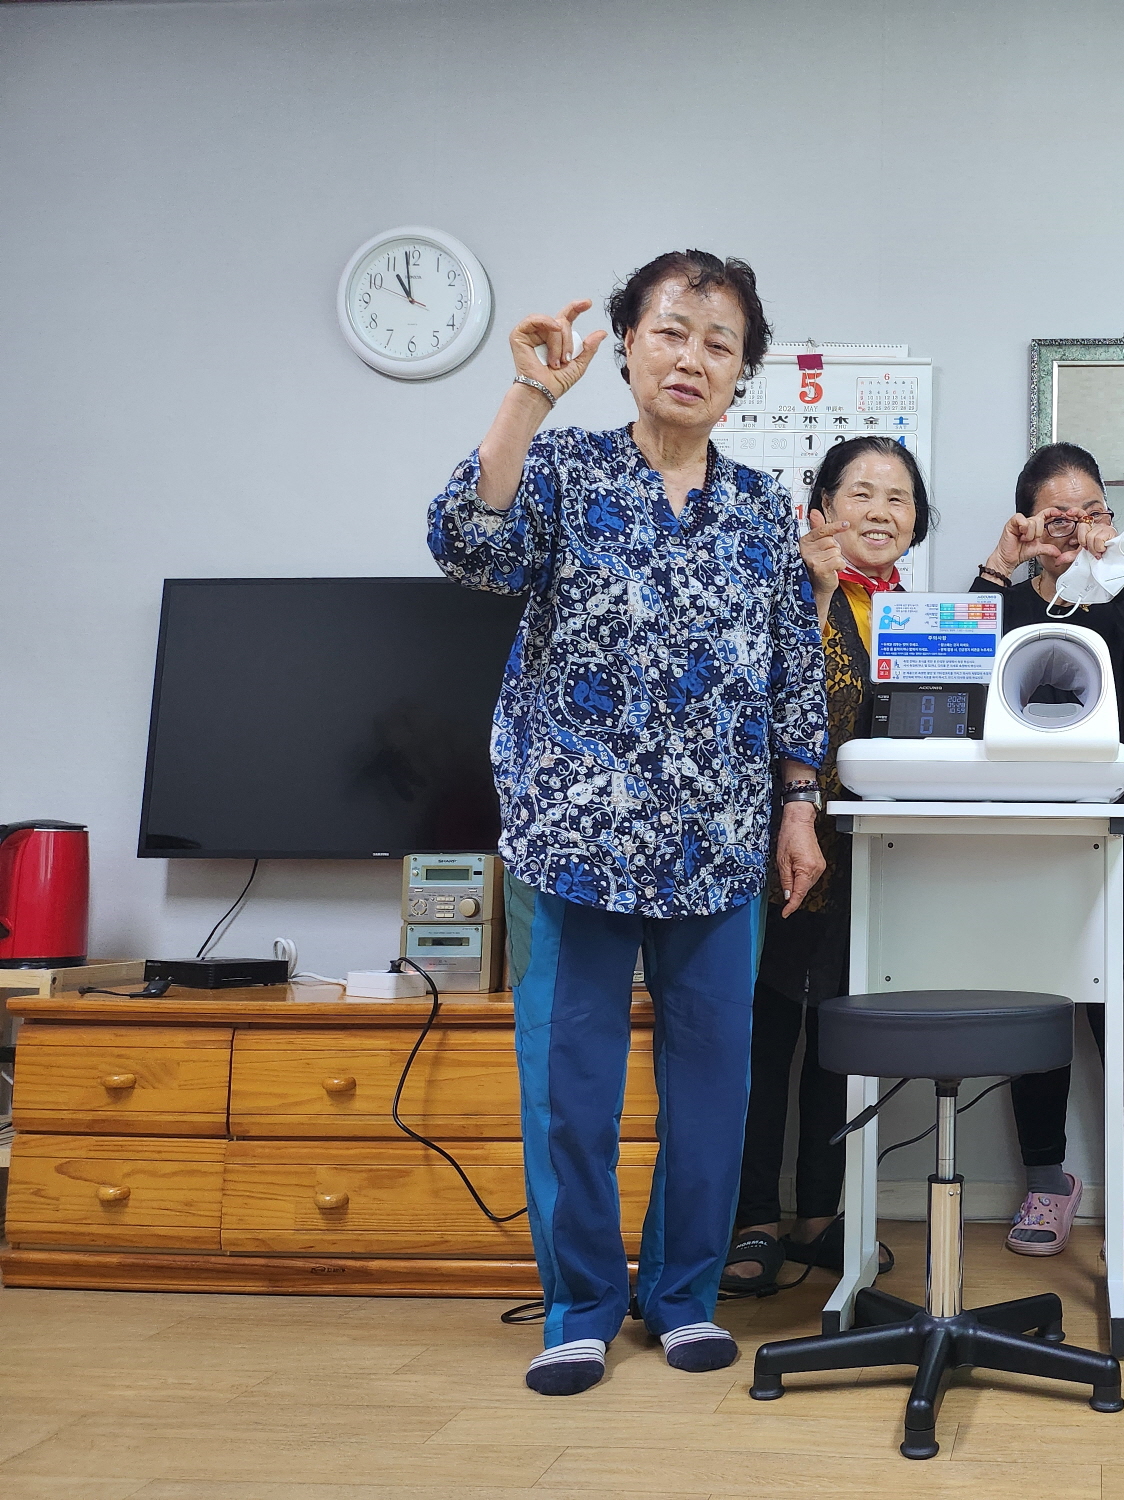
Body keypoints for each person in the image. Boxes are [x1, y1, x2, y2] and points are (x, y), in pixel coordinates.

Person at [428, 250, 827, 1395]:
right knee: (570, 1085)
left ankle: (683, 1296)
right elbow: (465, 545)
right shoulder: (562, 470)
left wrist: (798, 805)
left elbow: (792, 669)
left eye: (719, 342)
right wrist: (528, 396)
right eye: (671, 330)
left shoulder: (761, 507)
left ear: (741, 372)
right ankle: (580, 1307)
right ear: (630, 345)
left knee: (713, 1087)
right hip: (572, 835)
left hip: (718, 841)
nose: (692, 357)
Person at [723, 436, 928, 1296]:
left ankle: (818, 1214)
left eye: (898, 498)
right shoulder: (788, 588)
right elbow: (773, 696)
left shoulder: (917, 615)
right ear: (822, 511)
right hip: (780, 847)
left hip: (870, 862)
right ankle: (750, 1218)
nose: (880, 512)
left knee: (840, 1040)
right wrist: (811, 595)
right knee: (765, 1035)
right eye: (861, 493)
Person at [973, 443, 1124, 1262]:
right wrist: (1002, 563)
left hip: (1113, 836)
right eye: (1057, 514)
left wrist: (1111, 567)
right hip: (1022, 838)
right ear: (1028, 520)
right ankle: (1046, 1181)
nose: (1076, 525)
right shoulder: (1009, 600)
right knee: (1037, 1016)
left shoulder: (1119, 597)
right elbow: (949, 668)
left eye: (1092, 510)